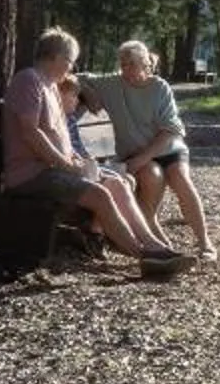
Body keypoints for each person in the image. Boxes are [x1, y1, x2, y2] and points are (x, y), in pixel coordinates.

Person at [2, 28, 193, 274]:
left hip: (54, 168)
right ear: (57, 57)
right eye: (70, 61)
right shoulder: (29, 81)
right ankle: (144, 256)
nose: (70, 68)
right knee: (99, 194)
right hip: (31, 174)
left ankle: (155, 245)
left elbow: (58, 136)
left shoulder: (49, 86)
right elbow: (31, 133)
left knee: (118, 183)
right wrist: (65, 164)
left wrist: (77, 159)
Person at [79, 39, 210, 257]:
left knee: (181, 180)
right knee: (152, 177)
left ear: (144, 63)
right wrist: (88, 92)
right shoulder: (112, 84)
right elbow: (77, 77)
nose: (125, 68)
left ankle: (205, 243)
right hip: (137, 155)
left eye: (131, 63)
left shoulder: (159, 87)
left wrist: (142, 158)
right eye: (122, 64)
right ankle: (158, 243)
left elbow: (171, 129)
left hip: (168, 149)